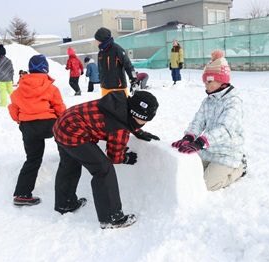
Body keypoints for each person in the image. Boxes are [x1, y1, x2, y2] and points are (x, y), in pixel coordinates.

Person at [53, 90, 160, 229]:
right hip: (73, 133)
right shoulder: (119, 128)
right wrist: (126, 158)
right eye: (144, 120)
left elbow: (123, 118)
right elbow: (114, 156)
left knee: (69, 165)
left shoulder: (118, 104)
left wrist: (138, 132)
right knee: (103, 170)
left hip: (62, 125)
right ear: (135, 114)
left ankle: (65, 203)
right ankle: (111, 218)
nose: (145, 123)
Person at [171, 50, 247, 191]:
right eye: (205, 81)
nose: (206, 84)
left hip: (227, 153)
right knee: (190, 174)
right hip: (209, 149)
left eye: (209, 81)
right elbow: (198, 121)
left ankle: (239, 169)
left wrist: (201, 142)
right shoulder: (209, 100)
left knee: (206, 185)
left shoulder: (233, 102)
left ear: (222, 80)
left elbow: (225, 129)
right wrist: (189, 137)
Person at [8, 55, 66, 206]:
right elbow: (60, 108)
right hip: (49, 124)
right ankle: (66, 161)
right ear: (45, 68)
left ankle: (22, 194)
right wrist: (63, 122)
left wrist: (20, 120)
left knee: (33, 159)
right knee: (64, 145)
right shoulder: (51, 88)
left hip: (28, 126)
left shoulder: (19, 90)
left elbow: (13, 109)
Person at [94, 27, 137, 97]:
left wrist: (134, 79)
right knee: (106, 108)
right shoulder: (101, 53)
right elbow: (100, 69)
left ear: (102, 39)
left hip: (118, 88)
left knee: (121, 108)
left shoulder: (117, 49)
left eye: (97, 39)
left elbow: (128, 65)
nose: (95, 41)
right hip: (105, 88)